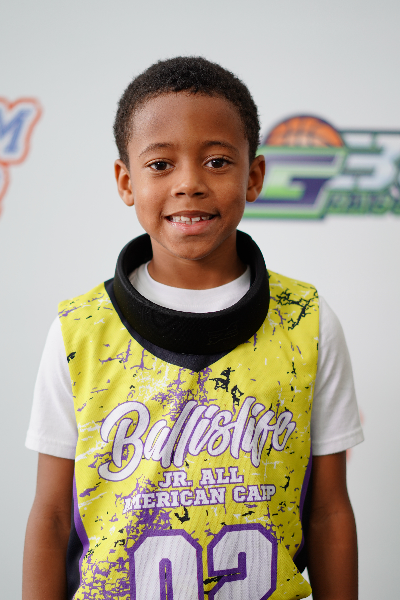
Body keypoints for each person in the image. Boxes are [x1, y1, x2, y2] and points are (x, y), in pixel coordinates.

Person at [23, 57, 363, 600]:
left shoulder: (307, 321)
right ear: (126, 181)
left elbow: (327, 511)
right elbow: (52, 516)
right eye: (160, 164)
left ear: (254, 177)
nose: (189, 184)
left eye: (217, 161)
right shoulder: (79, 331)